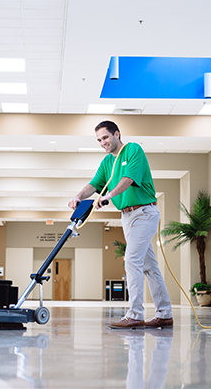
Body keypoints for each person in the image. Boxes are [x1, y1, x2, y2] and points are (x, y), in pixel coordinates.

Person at [68, 120, 173, 329]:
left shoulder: (133, 150)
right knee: (149, 266)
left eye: (105, 137)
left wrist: (109, 196)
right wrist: (79, 196)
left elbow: (128, 179)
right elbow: (94, 184)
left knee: (132, 259)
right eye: (99, 140)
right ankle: (164, 314)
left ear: (117, 134)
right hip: (127, 217)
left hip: (144, 212)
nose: (103, 142)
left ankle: (135, 314)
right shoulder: (108, 162)